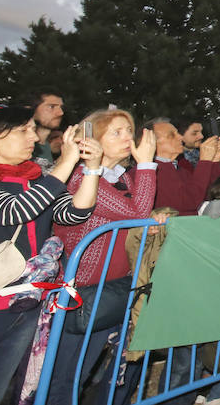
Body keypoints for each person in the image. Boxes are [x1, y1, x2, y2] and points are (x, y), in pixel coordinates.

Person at [47, 109, 157, 405]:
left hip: (108, 289)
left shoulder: (125, 179)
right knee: (63, 375)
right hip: (77, 291)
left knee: (82, 371)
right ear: (92, 140)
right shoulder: (82, 179)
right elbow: (138, 214)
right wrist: (147, 164)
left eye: (128, 131)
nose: (127, 138)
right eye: (116, 132)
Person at [0, 106, 102, 403]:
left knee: (1, 382)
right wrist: (65, 163)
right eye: (22, 130)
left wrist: (92, 168)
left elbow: (73, 213)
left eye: (32, 128)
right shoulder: (32, 182)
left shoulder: (34, 178)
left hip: (25, 299)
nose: (33, 136)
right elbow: (16, 210)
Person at [150, 118, 220, 215]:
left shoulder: (181, 170)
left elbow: (213, 194)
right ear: (152, 143)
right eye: (172, 135)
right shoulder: (153, 172)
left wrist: (215, 161)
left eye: (178, 133)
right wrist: (204, 162)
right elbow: (188, 203)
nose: (180, 137)